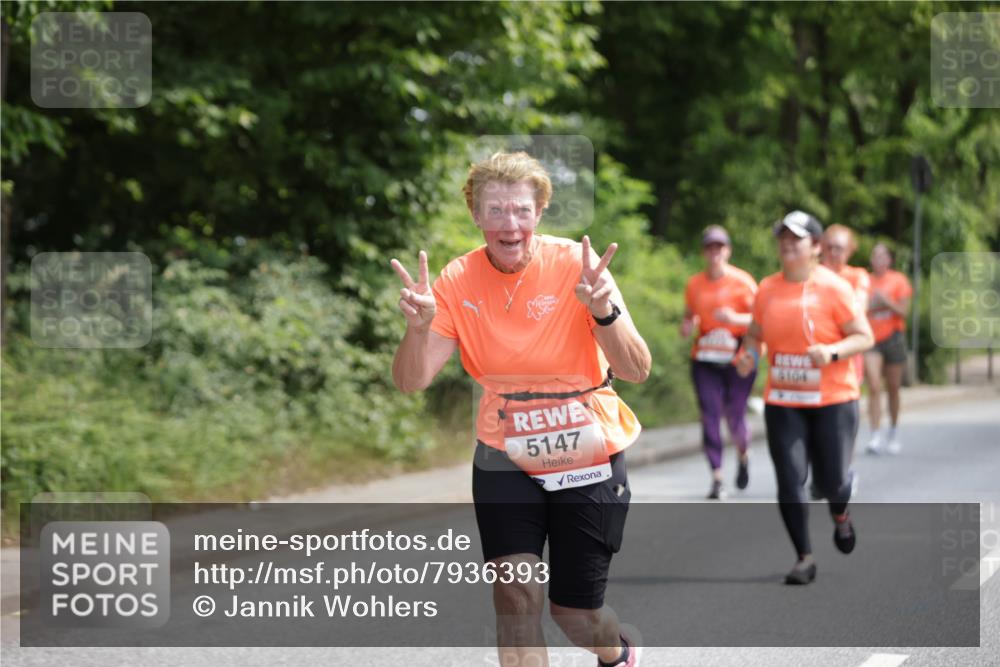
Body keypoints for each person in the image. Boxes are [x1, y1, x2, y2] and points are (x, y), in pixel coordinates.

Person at [391, 151, 651, 666]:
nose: (509, 225)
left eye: (521, 211)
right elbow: (410, 380)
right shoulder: (457, 278)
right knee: (514, 595)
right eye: (495, 211)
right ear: (476, 216)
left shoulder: (577, 267)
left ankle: (617, 651)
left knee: (576, 617)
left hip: (586, 445)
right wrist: (417, 330)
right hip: (503, 449)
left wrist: (604, 310)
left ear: (540, 212)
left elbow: (637, 368)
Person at [735, 211, 874, 585]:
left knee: (833, 482)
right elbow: (755, 335)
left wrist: (831, 352)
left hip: (833, 399)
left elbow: (864, 336)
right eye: (782, 238)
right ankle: (804, 557)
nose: (787, 244)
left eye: (795, 238)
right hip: (784, 400)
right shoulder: (767, 288)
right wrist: (749, 355)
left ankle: (840, 515)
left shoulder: (835, 287)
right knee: (789, 479)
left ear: (815, 246)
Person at [681, 225, 758, 499]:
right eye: (709, 247)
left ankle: (743, 453)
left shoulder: (743, 282)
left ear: (728, 251)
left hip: (738, 357)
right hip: (704, 358)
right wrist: (688, 324)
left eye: (719, 246)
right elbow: (689, 314)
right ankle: (717, 477)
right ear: (704, 252)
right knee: (710, 414)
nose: (714, 252)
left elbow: (761, 320)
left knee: (735, 415)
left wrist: (735, 319)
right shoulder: (694, 284)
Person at [812, 224, 870, 499]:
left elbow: (859, 307)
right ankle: (818, 472)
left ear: (849, 251)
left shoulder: (856, 276)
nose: (833, 253)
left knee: (841, 418)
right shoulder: (809, 274)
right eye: (829, 247)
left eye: (840, 248)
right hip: (813, 357)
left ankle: (843, 468)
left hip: (845, 357)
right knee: (810, 415)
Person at [864, 243, 913, 455]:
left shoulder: (898, 280)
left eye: (883, 256)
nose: (879, 259)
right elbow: (858, 309)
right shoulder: (864, 281)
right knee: (874, 386)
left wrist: (885, 301)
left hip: (893, 337)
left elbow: (903, 311)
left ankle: (893, 430)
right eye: (875, 255)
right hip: (871, 339)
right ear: (871, 260)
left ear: (889, 260)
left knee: (893, 387)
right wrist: (875, 305)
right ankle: (875, 434)